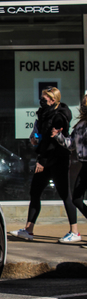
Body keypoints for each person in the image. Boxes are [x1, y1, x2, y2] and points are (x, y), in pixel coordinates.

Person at [11, 87, 75, 243]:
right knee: (35, 193)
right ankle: (28, 230)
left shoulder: (59, 117)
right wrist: (35, 139)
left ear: (53, 100)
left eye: (44, 98)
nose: (41, 100)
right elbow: (43, 137)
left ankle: (75, 231)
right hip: (45, 159)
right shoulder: (43, 114)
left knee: (65, 195)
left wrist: (42, 161)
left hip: (57, 160)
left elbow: (54, 143)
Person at [51, 93, 87, 246]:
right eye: (84, 103)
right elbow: (71, 144)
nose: (84, 105)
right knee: (77, 199)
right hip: (85, 164)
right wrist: (58, 136)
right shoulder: (80, 125)